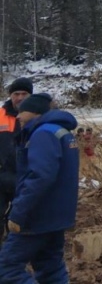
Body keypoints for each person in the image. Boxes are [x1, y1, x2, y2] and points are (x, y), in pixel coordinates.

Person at [0, 92, 79, 284]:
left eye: (23, 112)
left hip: (36, 216)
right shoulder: (62, 132)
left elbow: (40, 176)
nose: (17, 116)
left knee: (6, 269)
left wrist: (18, 212)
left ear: (35, 112)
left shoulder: (43, 133)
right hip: (56, 217)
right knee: (50, 269)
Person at [0, 77, 33, 242]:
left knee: (22, 222)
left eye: (24, 94)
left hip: (25, 179)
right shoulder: (0, 115)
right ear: (10, 95)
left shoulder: (36, 118)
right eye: (16, 94)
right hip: (2, 177)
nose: (20, 97)